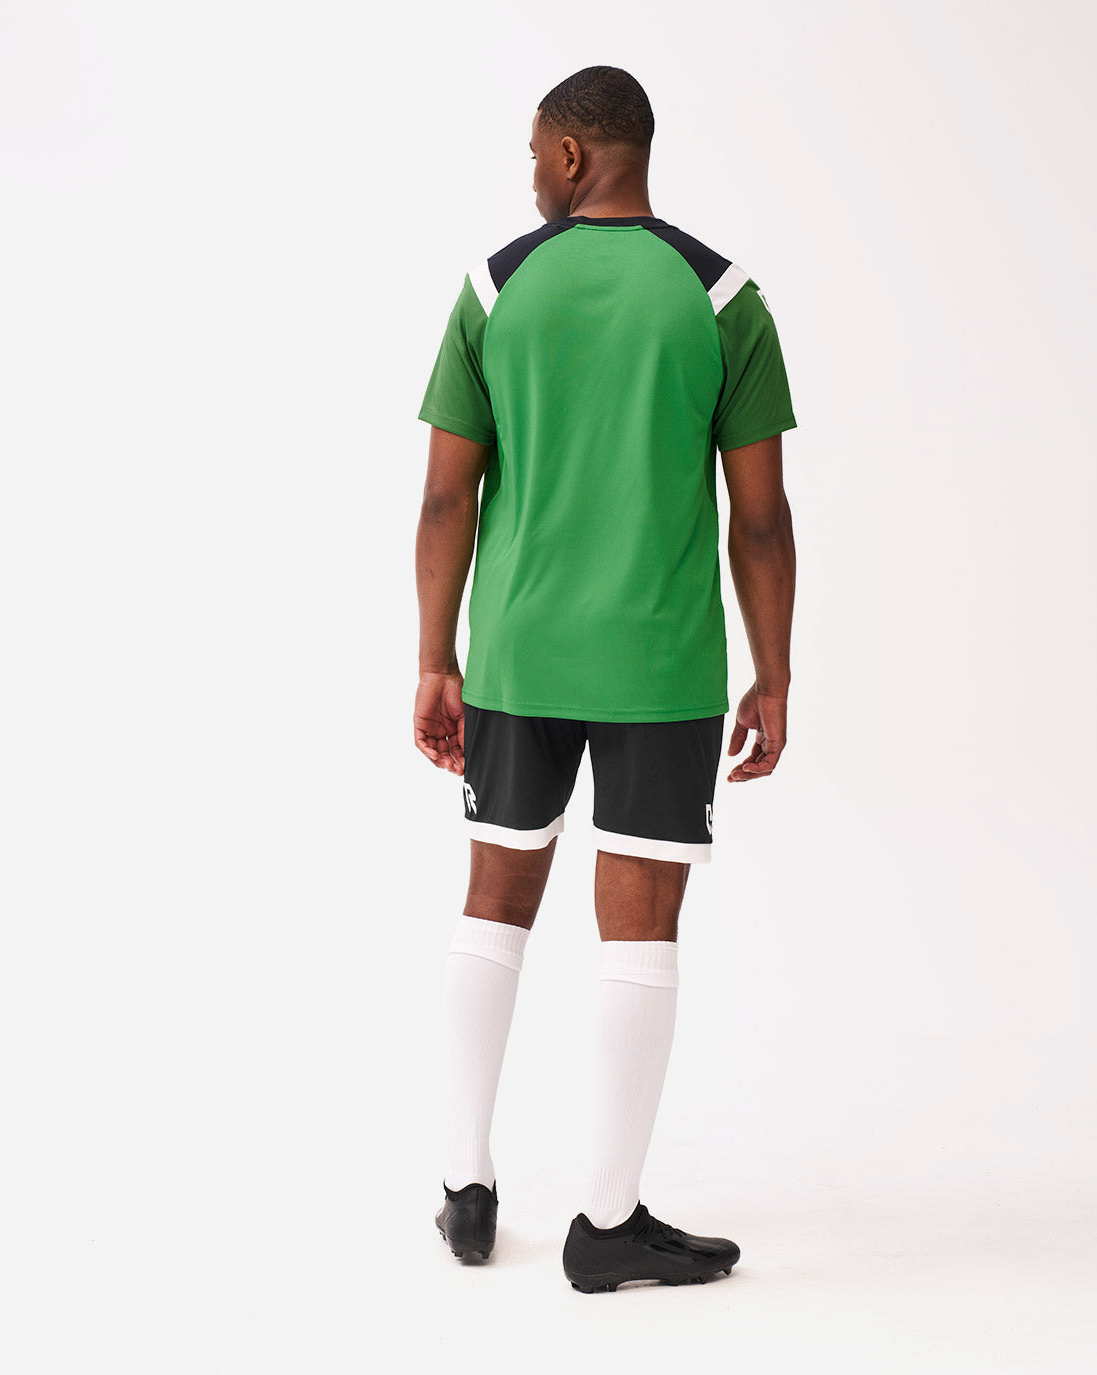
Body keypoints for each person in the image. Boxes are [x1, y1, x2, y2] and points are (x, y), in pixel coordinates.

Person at [414, 65, 796, 1292]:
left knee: (493, 904)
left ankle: (464, 1186)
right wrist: (773, 672)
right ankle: (606, 1224)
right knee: (639, 932)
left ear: (574, 156)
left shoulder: (494, 287)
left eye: (536, 151)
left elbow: (445, 497)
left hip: (517, 654)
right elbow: (758, 519)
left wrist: (435, 656)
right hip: (660, 666)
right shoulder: (722, 298)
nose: (530, 171)